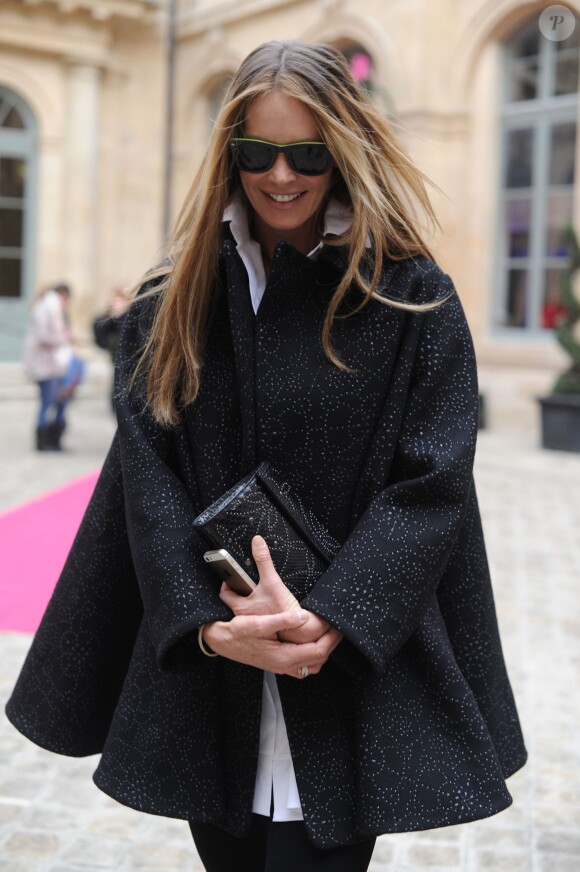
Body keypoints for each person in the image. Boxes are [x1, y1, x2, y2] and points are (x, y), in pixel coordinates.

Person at [6, 40, 527, 871]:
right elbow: (147, 476)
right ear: (229, 153)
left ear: (344, 149)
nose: (281, 175)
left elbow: (434, 480)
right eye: (258, 152)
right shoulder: (167, 301)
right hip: (211, 688)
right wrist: (211, 629)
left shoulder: (409, 293)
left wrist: (338, 616)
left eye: (307, 153)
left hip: (353, 675)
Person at [23, 282, 84, 451]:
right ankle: (44, 442)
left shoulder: (50, 308)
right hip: (45, 366)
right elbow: (45, 337)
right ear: (63, 295)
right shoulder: (48, 308)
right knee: (47, 403)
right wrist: (65, 338)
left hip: (53, 365)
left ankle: (52, 441)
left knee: (56, 402)